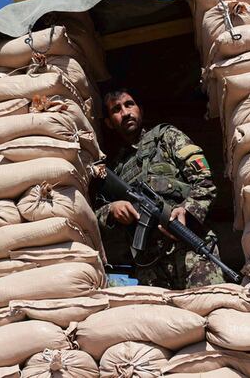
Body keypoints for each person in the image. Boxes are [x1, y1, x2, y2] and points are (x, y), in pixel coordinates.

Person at [95, 88, 225, 289]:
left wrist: (187, 210)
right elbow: (92, 213)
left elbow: (205, 180)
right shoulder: (115, 168)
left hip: (190, 248)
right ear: (109, 123)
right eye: (116, 109)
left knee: (210, 305)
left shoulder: (166, 137)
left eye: (129, 104)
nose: (125, 112)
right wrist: (112, 210)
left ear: (140, 109)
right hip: (150, 265)